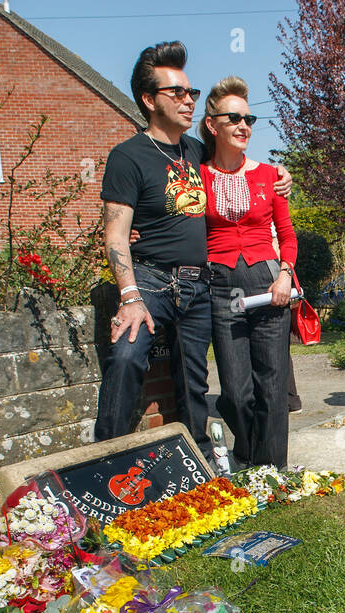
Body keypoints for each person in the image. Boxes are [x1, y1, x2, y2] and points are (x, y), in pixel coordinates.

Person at [97, 42, 289, 464]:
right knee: (127, 355)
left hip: (198, 284)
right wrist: (129, 296)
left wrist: (280, 175)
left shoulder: (195, 152)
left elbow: (235, 160)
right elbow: (114, 236)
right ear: (149, 101)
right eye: (177, 93)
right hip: (148, 280)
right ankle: (103, 460)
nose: (188, 100)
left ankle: (198, 464)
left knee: (194, 383)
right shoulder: (127, 157)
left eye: (192, 93)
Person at [197, 76, 297, 469]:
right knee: (236, 393)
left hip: (268, 281)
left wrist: (286, 275)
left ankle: (272, 471)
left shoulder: (271, 176)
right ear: (212, 125)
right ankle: (250, 453)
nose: (244, 126)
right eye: (234, 118)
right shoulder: (196, 174)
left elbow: (287, 235)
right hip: (221, 287)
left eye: (249, 118)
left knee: (273, 385)